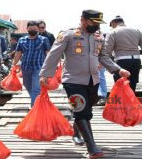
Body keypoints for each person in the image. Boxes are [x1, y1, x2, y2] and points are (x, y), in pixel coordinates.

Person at [40, 10, 130, 158]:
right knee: (82, 111)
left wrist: (118, 69)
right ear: (83, 20)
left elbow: (102, 56)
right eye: (93, 22)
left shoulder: (98, 37)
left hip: (93, 80)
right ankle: (92, 148)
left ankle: (76, 130)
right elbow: (53, 55)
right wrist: (45, 74)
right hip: (73, 80)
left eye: (98, 23)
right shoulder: (68, 35)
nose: (96, 26)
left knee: (86, 109)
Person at [108, 15, 142, 92]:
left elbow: (107, 51)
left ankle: (123, 103)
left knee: (120, 86)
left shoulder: (113, 32)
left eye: (111, 25)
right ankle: (131, 103)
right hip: (136, 61)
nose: (112, 27)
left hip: (121, 61)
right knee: (132, 86)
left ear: (113, 23)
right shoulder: (136, 31)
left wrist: (109, 65)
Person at [13, 21, 50, 107]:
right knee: (27, 85)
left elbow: (48, 53)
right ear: (27, 29)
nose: (33, 30)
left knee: (36, 88)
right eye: (31, 29)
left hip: (38, 67)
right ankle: (38, 100)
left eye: (35, 29)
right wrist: (14, 65)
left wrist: (50, 66)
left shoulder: (44, 40)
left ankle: (34, 108)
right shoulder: (22, 40)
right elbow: (18, 53)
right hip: (25, 67)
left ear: (38, 29)